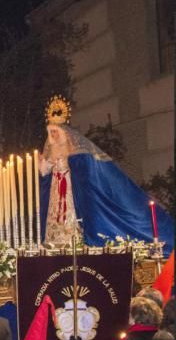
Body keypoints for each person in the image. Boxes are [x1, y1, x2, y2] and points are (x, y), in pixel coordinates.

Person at [39, 96, 173, 252]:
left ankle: (77, 239)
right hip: (56, 195)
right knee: (56, 218)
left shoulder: (75, 151)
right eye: (51, 132)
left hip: (71, 192)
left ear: (64, 133)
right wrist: (44, 166)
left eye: (56, 132)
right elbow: (45, 174)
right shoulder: (51, 151)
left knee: (72, 217)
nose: (53, 136)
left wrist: (71, 161)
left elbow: (85, 168)